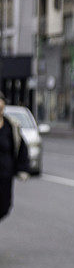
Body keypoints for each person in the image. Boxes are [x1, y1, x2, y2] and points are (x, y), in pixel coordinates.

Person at [0, 92, 30, 223]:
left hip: (5, 175)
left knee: (4, 207)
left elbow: (21, 148)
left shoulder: (11, 126)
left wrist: (23, 168)